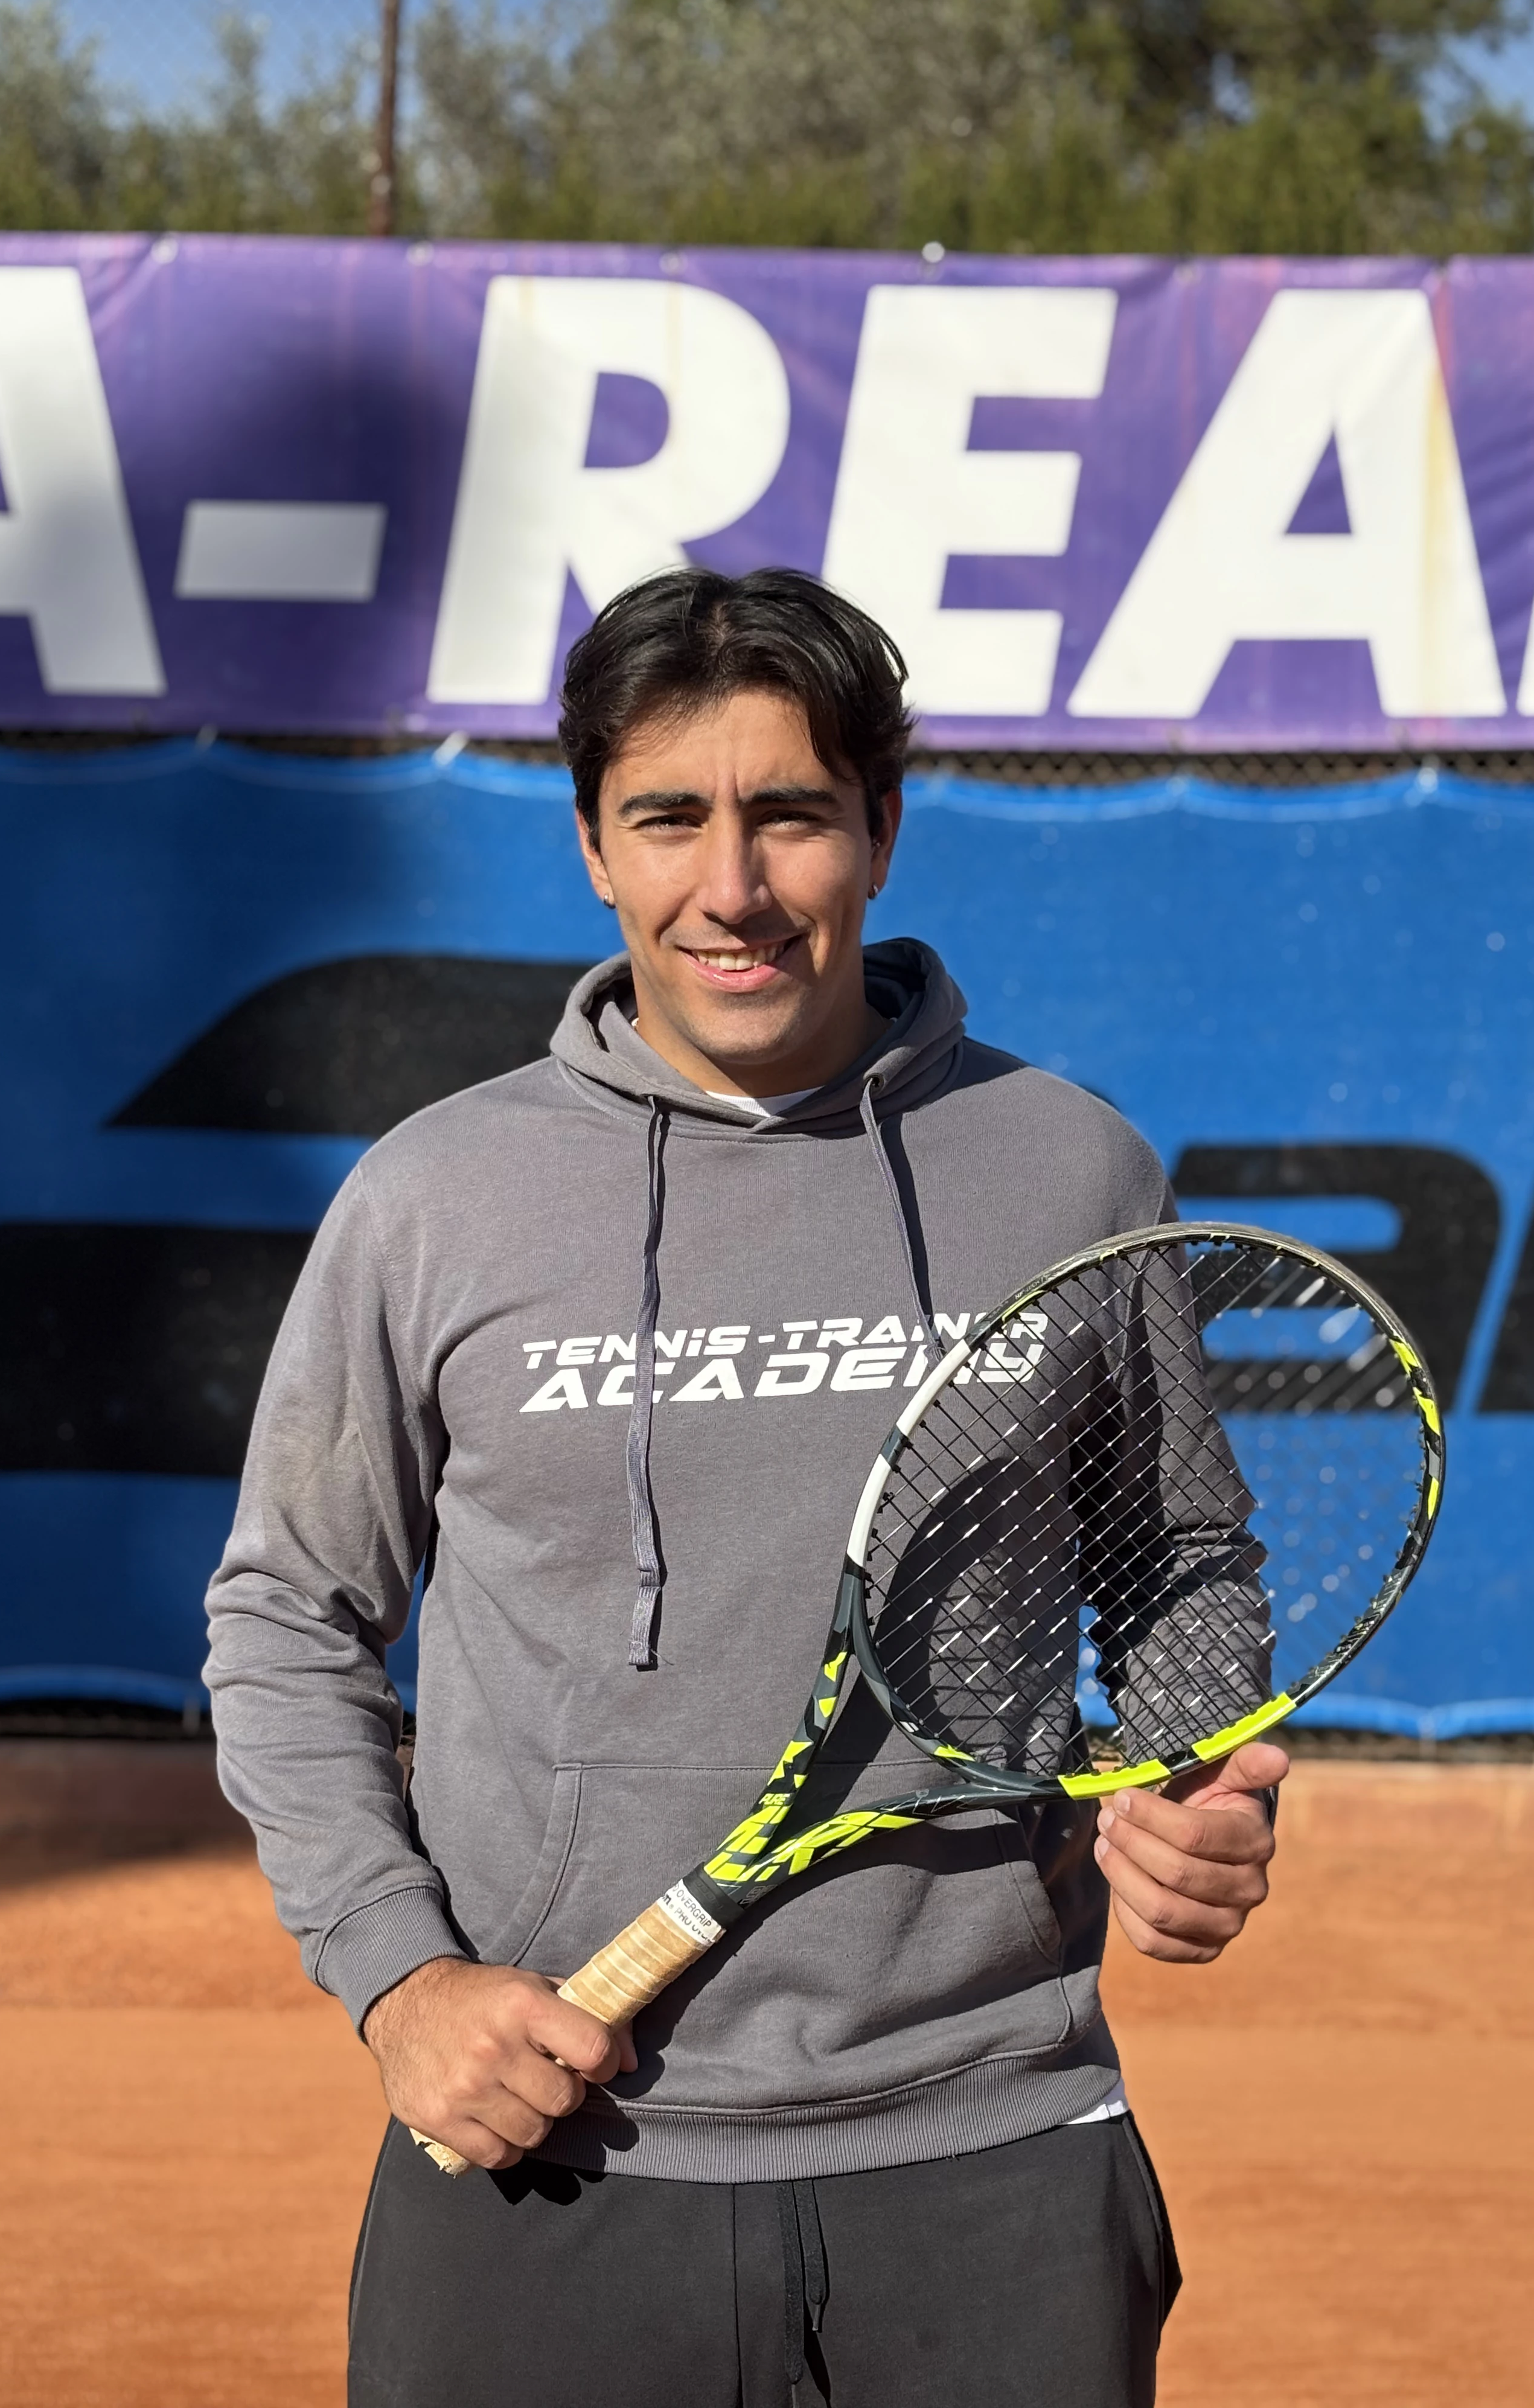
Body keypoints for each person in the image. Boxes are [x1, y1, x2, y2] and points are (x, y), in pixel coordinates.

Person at [204, 567, 1286, 2408]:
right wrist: (403, 1982)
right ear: (591, 848)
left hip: (992, 2137)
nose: (734, 887)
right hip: (556, 2137)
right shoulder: (436, 1198)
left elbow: (1178, 1555)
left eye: (789, 812)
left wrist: (1196, 1768)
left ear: (879, 823)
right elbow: (286, 1616)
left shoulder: (1067, 1166)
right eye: (669, 819)